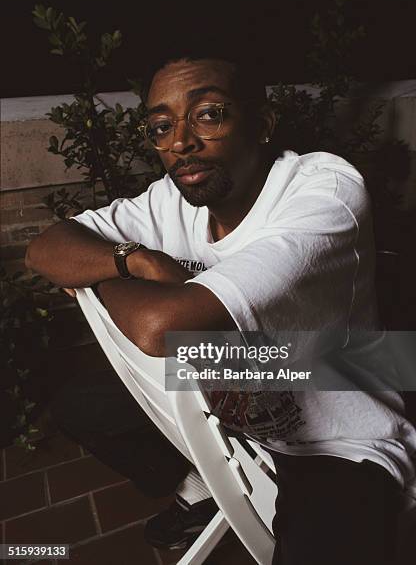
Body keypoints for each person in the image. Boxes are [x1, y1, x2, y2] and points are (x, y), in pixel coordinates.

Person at [26, 50, 416, 564]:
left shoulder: (323, 189)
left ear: (262, 124)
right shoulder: (172, 195)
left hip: (335, 428)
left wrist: (95, 278)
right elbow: (46, 248)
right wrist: (137, 262)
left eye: (208, 114)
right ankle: (201, 487)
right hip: (233, 381)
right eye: (161, 126)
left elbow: (157, 327)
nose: (181, 142)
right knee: (83, 406)